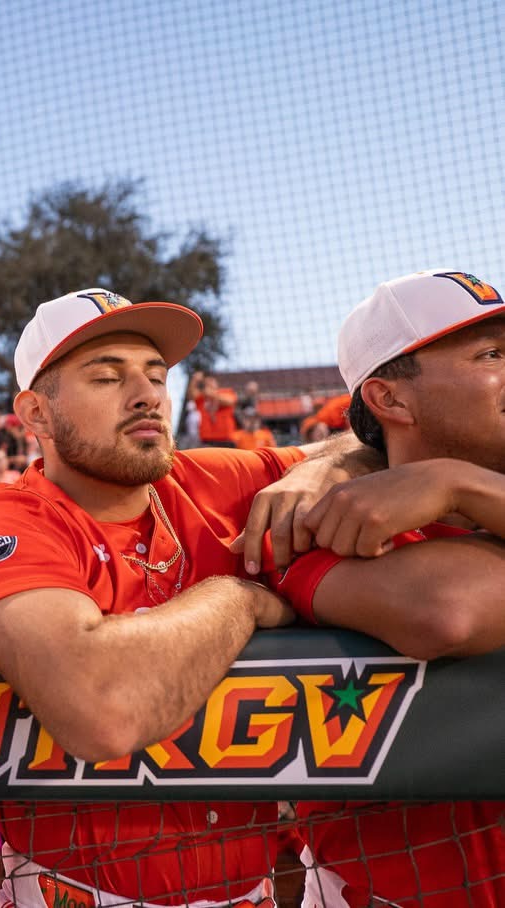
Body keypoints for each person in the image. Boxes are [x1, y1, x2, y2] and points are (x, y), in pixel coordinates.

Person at [0, 288, 377, 908]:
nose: (146, 394)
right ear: (36, 414)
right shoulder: (9, 521)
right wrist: (239, 599)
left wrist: (314, 471)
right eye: (107, 377)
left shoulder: (205, 477)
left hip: (248, 888)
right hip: (76, 888)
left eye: (154, 375)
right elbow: (100, 709)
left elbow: (365, 445)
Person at [264, 270, 505, 907]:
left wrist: (462, 483)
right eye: (491, 354)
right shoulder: (317, 527)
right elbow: (451, 611)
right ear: (391, 400)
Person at [191, 371, 239, 447]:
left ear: (217, 383)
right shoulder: (202, 398)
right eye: (206, 383)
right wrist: (195, 380)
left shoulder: (226, 391)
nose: (209, 384)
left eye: (211, 381)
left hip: (226, 439)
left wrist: (211, 394)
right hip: (207, 439)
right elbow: (192, 395)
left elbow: (229, 401)